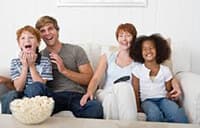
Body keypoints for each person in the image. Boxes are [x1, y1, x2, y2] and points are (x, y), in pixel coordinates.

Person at [34, 16, 103, 119]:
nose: (47, 33)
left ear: (57, 30)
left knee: (95, 108)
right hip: (53, 97)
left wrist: (64, 70)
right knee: (35, 108)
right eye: (43, 31)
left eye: (50, 29)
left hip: (77, 95)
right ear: (39, 36)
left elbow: (88, 78)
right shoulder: (39, 57)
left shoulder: (75, 50)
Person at [80, 23, 138, 120]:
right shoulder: (108, 56)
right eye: (121, 36)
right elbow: (96, 78)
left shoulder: (138, 60)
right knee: (122, 86)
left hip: (126, 96)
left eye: (128, 36)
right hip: (106, 91)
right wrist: (89, 92)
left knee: (111, 100)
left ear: (134, 38)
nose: (124, 39)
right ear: (117, 38)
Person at [131, 34, 188, 123]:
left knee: (176, 112)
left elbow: (168, 89)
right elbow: (135, 91)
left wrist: (171, 96)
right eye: (145, 49)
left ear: (157, 50)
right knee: (154, 114)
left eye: (151, 48)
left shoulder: (165, 70)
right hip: (147, 101)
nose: (148, 51)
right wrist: (138, 107)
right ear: (140, 52)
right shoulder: (137, 70)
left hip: (163, 99)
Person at [1, 25, 53, 114]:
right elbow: (18, 88)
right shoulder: (15, 62)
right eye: (23, 38)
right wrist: (25, 66)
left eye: (31, 37)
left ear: (38, 43)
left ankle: (29, 113)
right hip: (21, 94)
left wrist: (32, 66)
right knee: (10, 95)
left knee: (35, 87)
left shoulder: (45, 61)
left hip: (37, 95)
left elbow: (40, 85)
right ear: (19, 44)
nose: (27, 40)